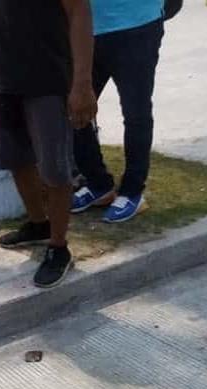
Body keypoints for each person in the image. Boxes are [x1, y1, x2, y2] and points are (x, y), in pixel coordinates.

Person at [0, 0, 97, 288]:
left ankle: (59, 246)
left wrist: (83, 82)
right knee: (16, 159)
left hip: (49, 80)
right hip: (9, 80)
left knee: (54, 169)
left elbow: (79, 11)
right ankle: (38, 223)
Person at [72, 0, 165, 223]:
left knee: (135, 112)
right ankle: (98, 184)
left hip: (137, 25)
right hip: (84, 29)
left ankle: (132, 191)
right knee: (73, 108)